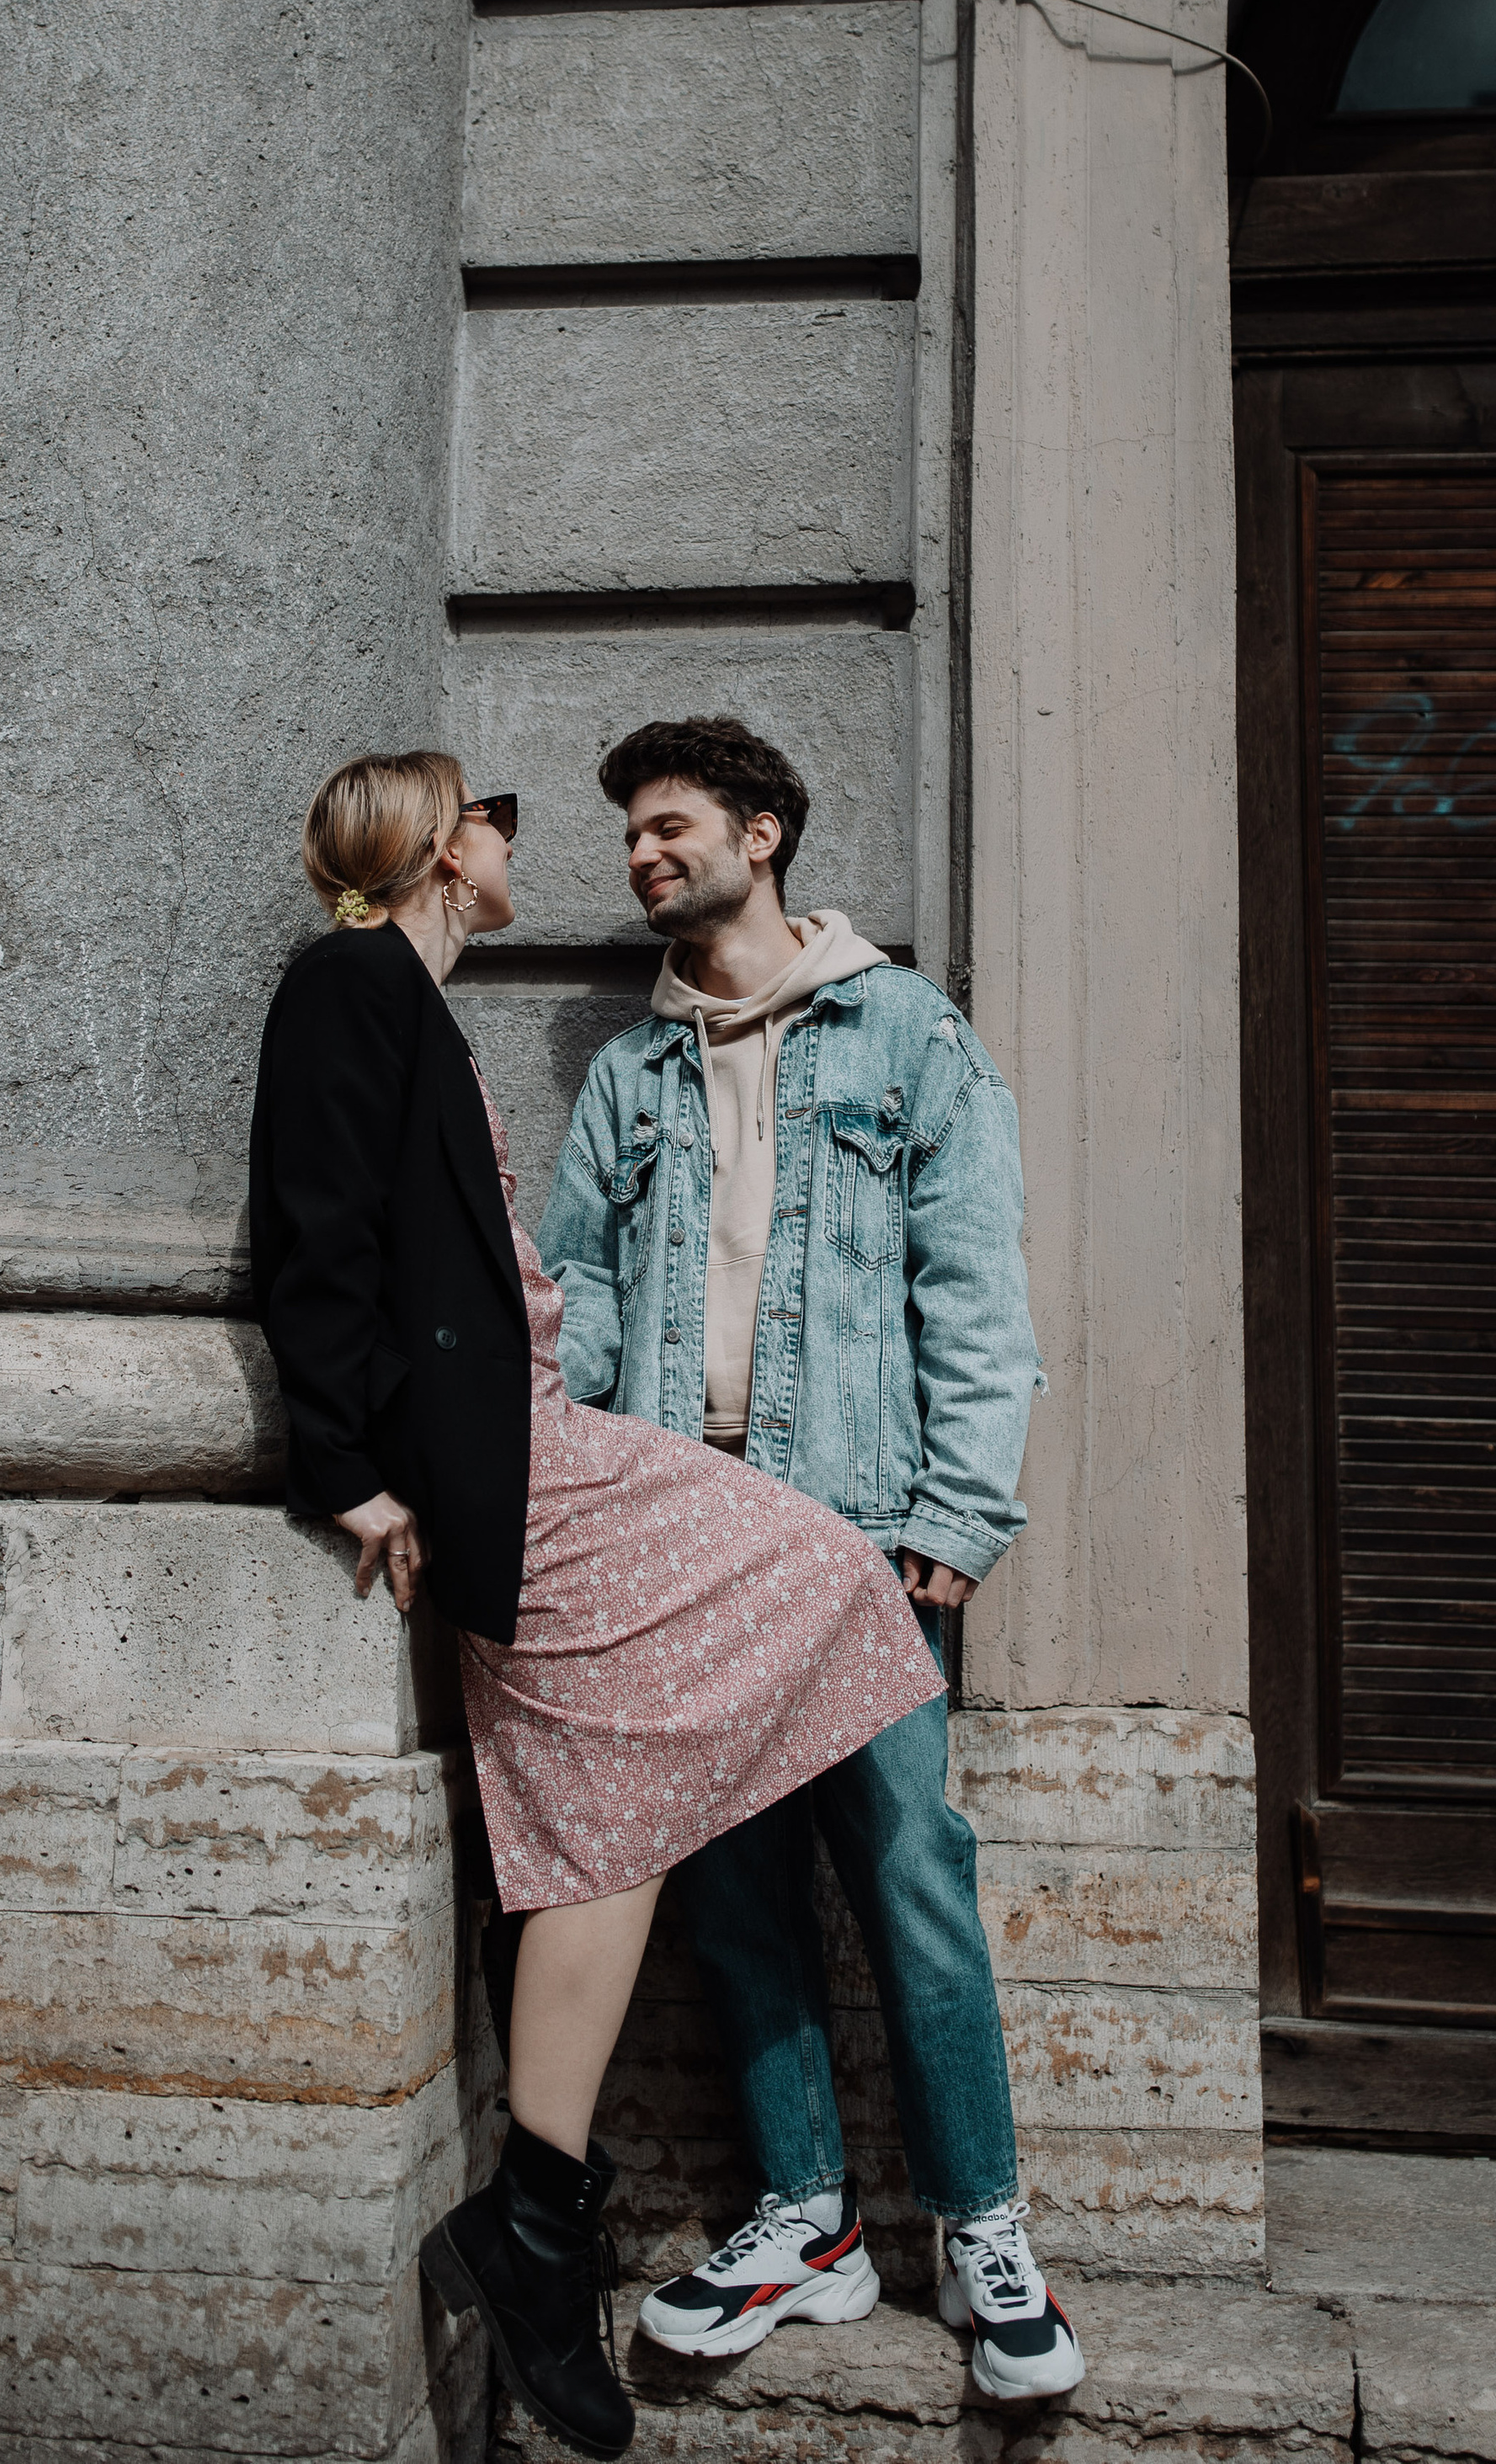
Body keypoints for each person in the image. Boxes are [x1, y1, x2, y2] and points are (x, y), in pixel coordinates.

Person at [249, 749, 943, 2461]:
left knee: (607, 1823)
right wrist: (344, 1467)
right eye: (486, 817)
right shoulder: (347, 985)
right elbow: (311, 1236)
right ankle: (540, 2224)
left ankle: (534, 2215)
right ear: (426, 850)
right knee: (809, 1573)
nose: (509, 843)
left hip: (537, 1443)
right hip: (514, 1467)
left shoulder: (411, 1001)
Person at [535, 716, 1085, 2404]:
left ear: (759, 836)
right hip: (679, 1544)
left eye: (669, 825)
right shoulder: (632, 1076)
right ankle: (804, 2220)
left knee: (910, 1876)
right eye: (629, 834)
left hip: (853, 1539)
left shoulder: (904, 1036)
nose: (641, 854)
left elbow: (972, 1299)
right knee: (734, 1894)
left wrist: (954, 1517)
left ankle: (982, 2231)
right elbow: (577, 1309)